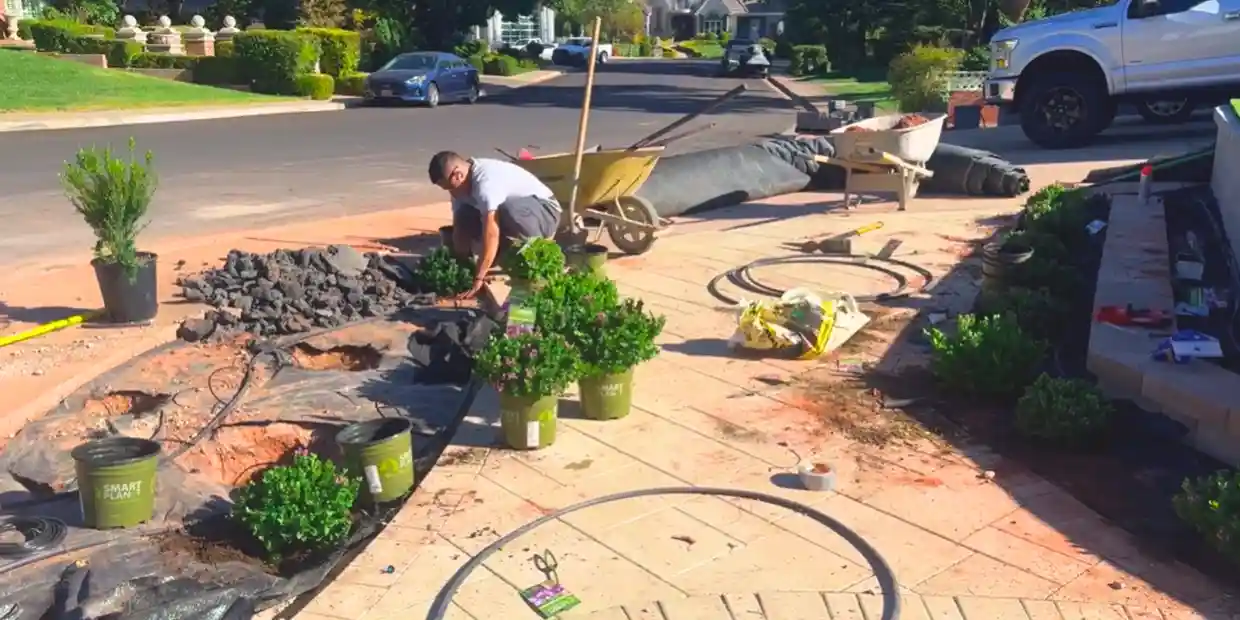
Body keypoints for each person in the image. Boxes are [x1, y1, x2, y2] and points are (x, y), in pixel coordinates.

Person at [428, 151, 562, 299]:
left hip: (544, 211)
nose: (450, 192)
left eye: (449, 187)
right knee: (464, 213)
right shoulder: (459, 189)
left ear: (458, 175)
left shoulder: (486, 183)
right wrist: (461, 267)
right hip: (511, 214)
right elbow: (459, 226)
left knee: (508, 208)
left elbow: (491, 232)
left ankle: (534, 251)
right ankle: (500, 255)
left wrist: (479, 277)